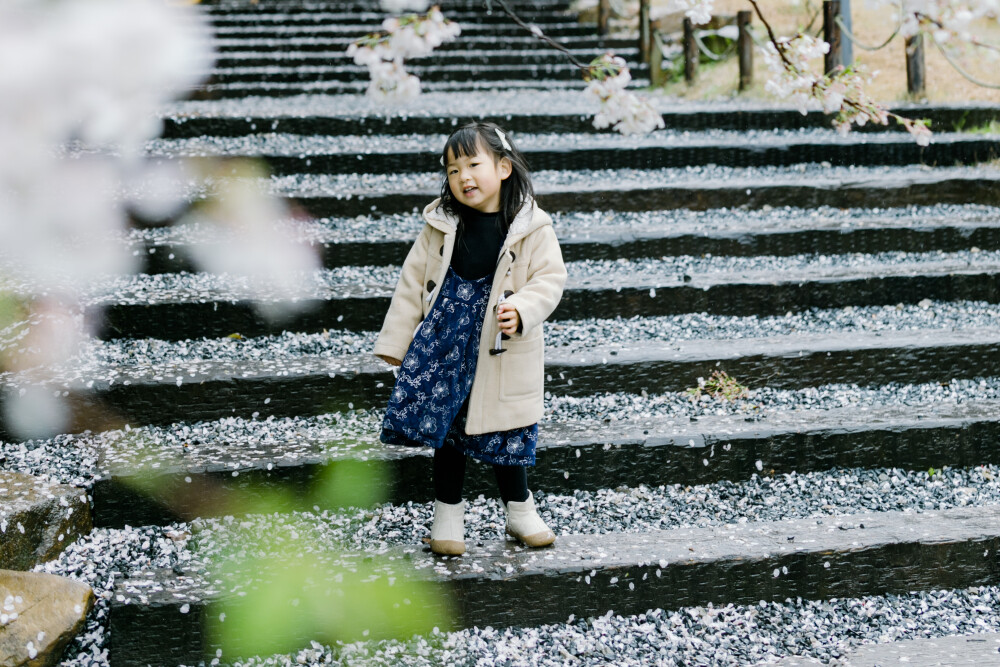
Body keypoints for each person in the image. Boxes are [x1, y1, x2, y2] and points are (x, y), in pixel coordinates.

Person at [373, 121, 567, 556]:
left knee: (507, 435)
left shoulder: (531, 226)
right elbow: (412, 283)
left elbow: (550, 279)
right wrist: (396, 342)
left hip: (500, 346)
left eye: (473, 164)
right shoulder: (440, 224)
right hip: (444, 348)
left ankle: (520, 512)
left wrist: (522, 310)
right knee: (447, 433)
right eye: (452, 169)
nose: (462, 176)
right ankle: (447, 517)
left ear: (503, 167)